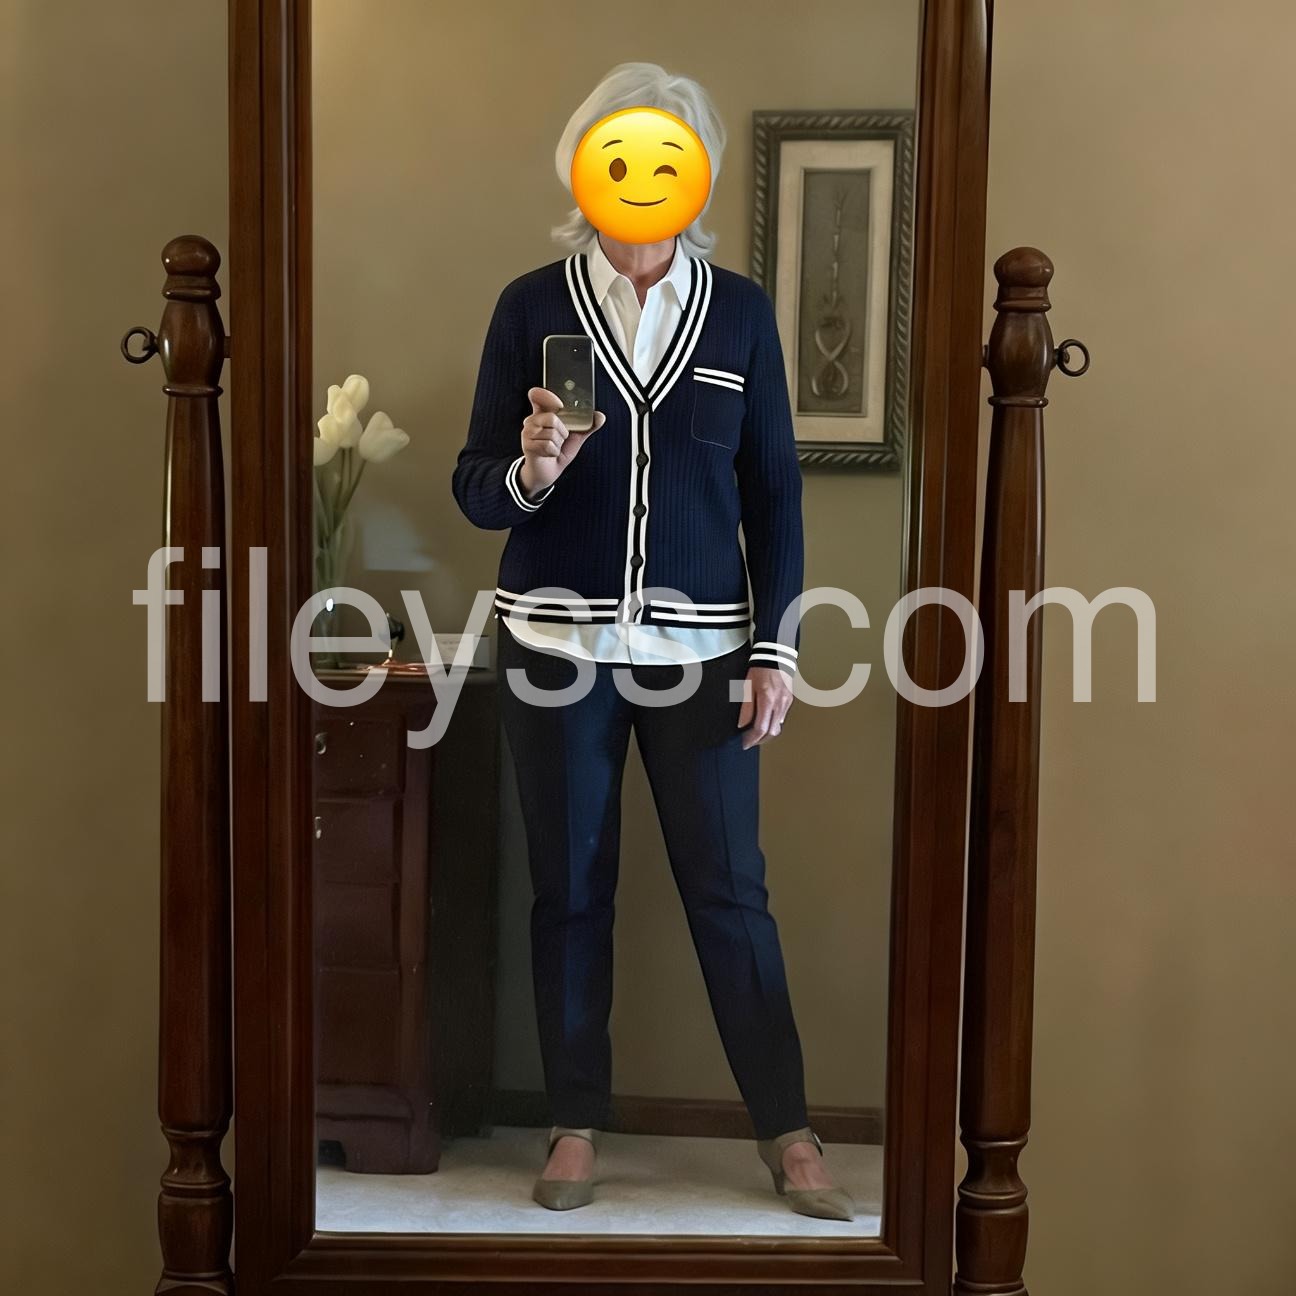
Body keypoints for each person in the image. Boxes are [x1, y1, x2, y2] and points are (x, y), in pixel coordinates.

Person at [451, 62, 851, 1222]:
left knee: (731, 891)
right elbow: (474, 486)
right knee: (571, 889)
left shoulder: (740, 314)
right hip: (553, 647)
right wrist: (532, 473)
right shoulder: (532, 307)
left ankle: (788, 1129)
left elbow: (775, 497)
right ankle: (575, 1123)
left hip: (705, 654)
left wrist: (776, 648)